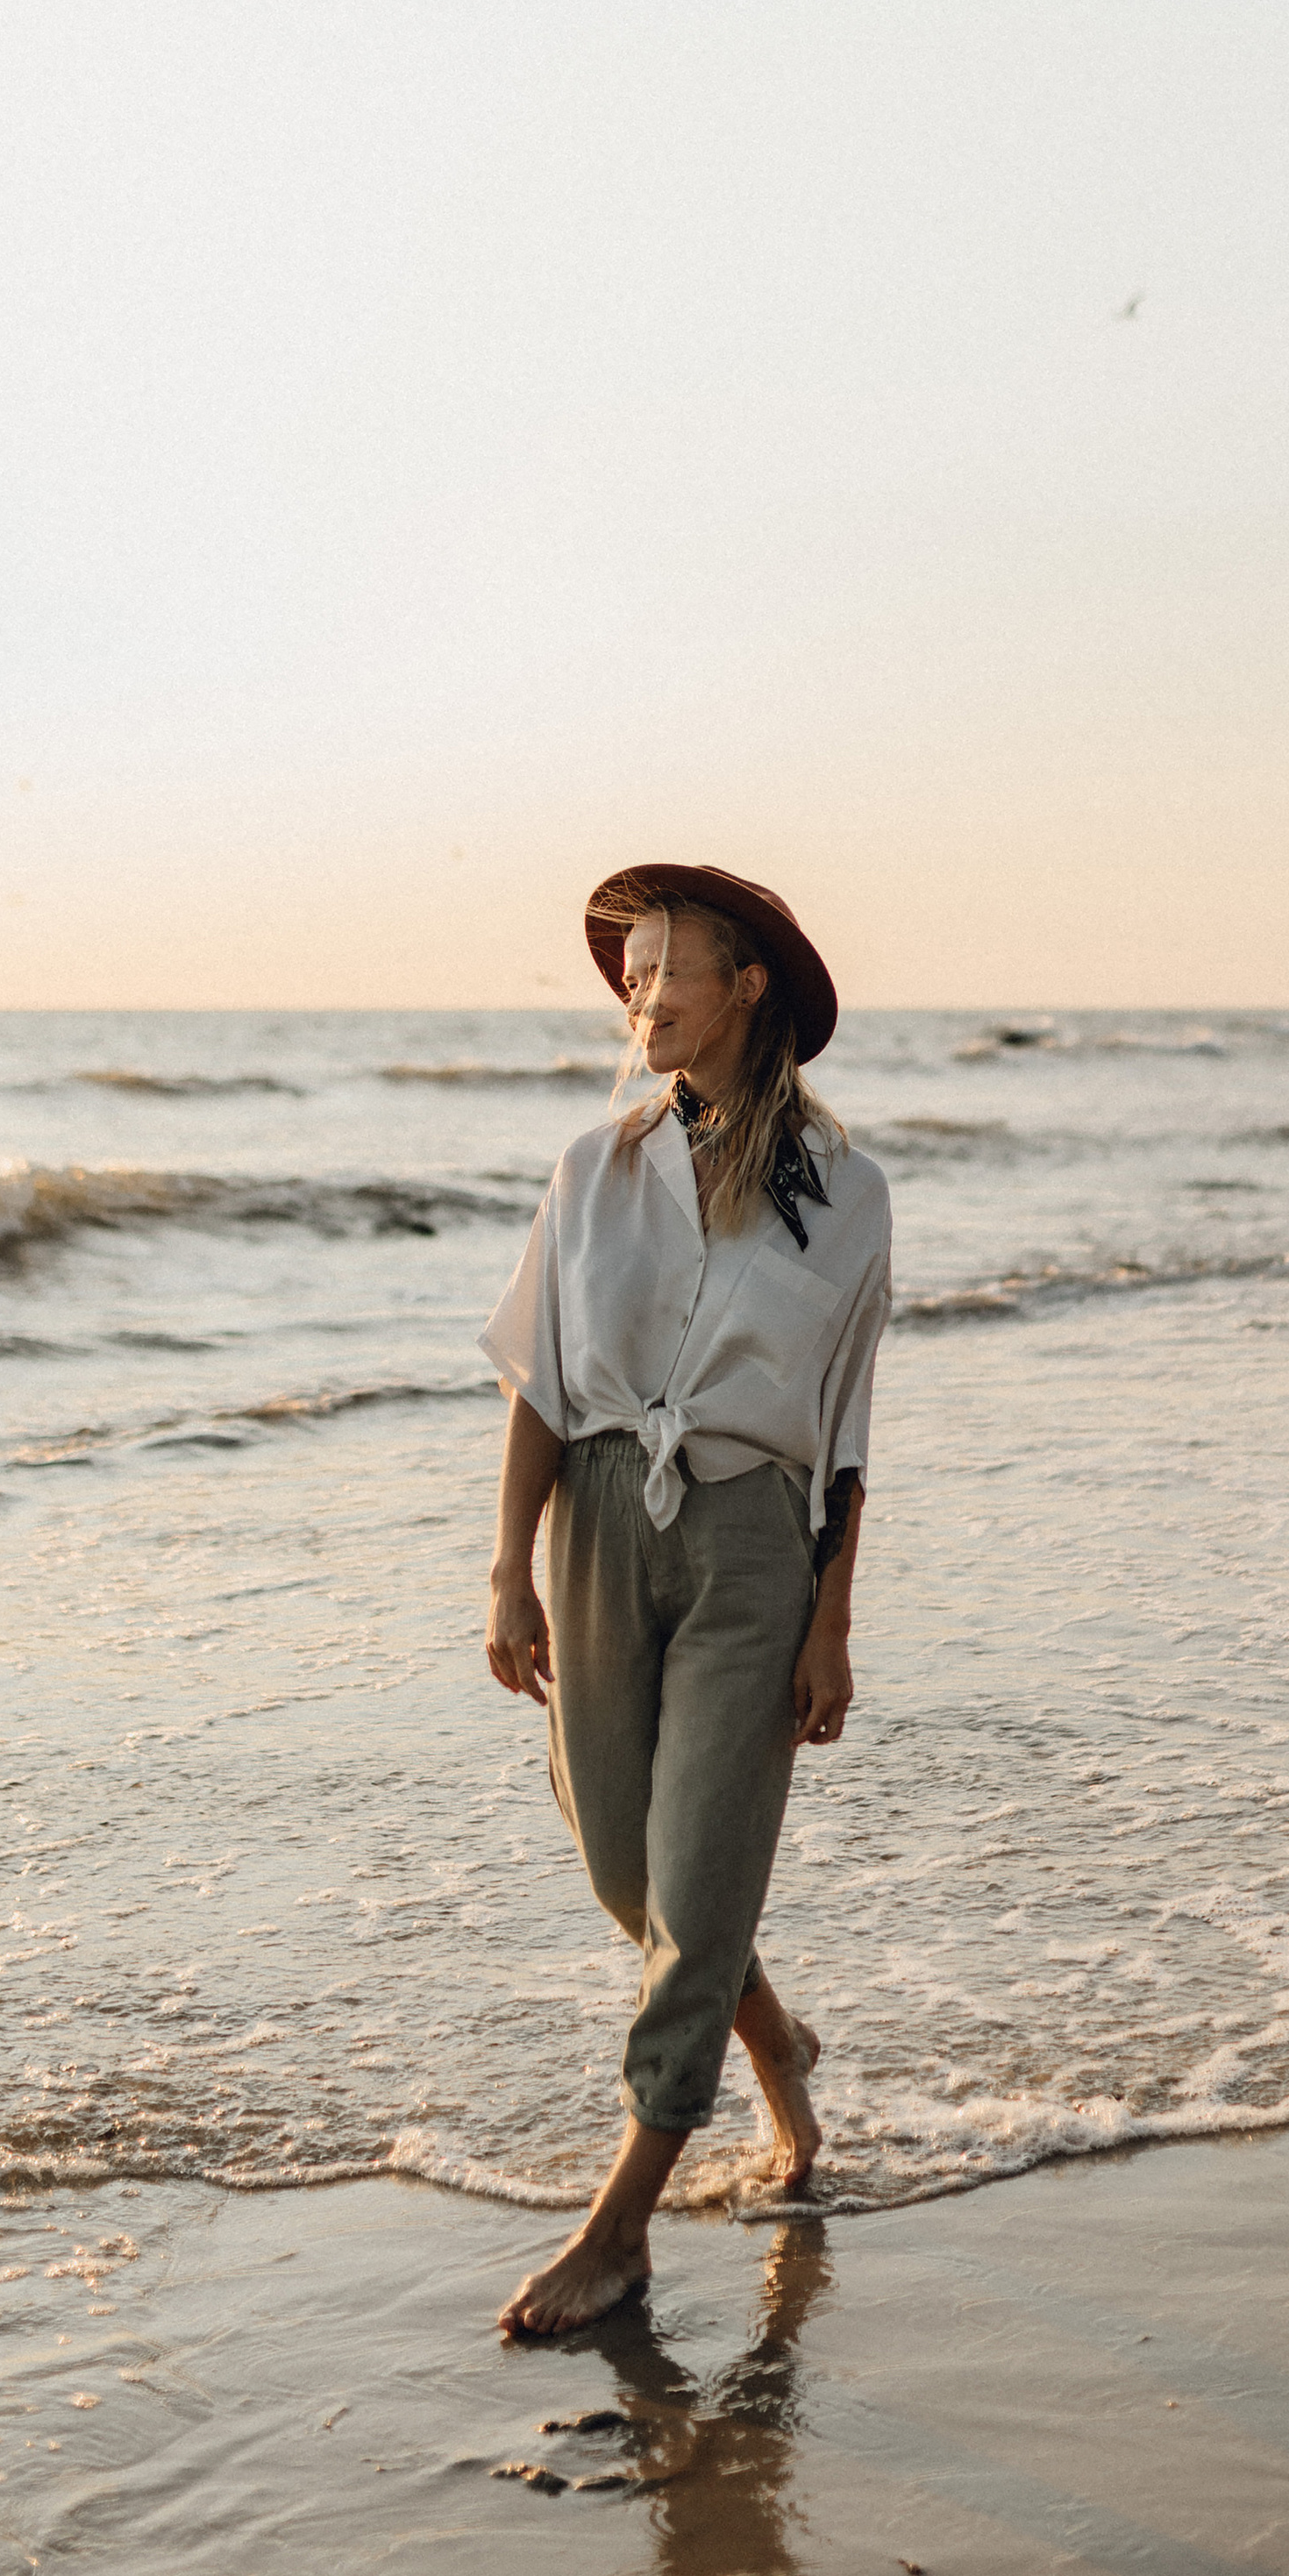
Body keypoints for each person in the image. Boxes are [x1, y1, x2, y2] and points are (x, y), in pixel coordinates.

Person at [480, 862, 892, 2338]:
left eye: (669, 965)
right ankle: (773, 2035)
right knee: (630, 1875)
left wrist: (832, 1618)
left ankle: (619, 2229)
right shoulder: (594, 1172)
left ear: (749, 984)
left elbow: (844, 1427)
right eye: (631, 967)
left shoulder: (844, 1195)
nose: (641, 992)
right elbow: (537, 1375)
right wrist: (508, 1563)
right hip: (597, 1526)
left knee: (701, 1877)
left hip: (751, 1546)